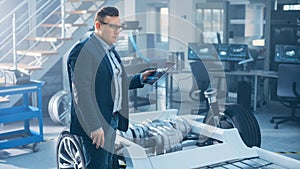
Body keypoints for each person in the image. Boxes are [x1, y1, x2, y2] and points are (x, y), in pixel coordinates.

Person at [67, 6, 155, 169]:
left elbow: (115, 83)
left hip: (111, 119)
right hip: (96, 124)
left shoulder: (109, 50)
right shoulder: (83, 50)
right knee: (98, 166)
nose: (117, 32)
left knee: (109, 164)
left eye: (119, 27)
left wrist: (140, 78)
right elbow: (81, 92)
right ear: (98, 26)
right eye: (112, 27)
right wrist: (94, 127)